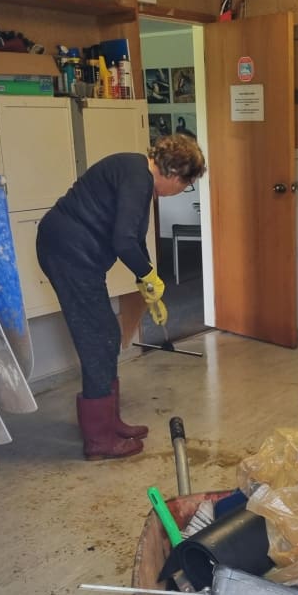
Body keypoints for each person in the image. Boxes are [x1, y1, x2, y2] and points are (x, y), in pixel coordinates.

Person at [35, 135, 207, 461]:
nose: (181, 191)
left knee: (107, 336)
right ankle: (100, 440)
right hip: (68, 254)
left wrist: (147, 280)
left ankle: (110, 423)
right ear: (175, 174)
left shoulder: (137, 173)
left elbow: (134, 238)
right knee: (97, 340)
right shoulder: (137, 177)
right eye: (186, 185)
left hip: (79, 256)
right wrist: (148, 276)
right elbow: (123, 241)